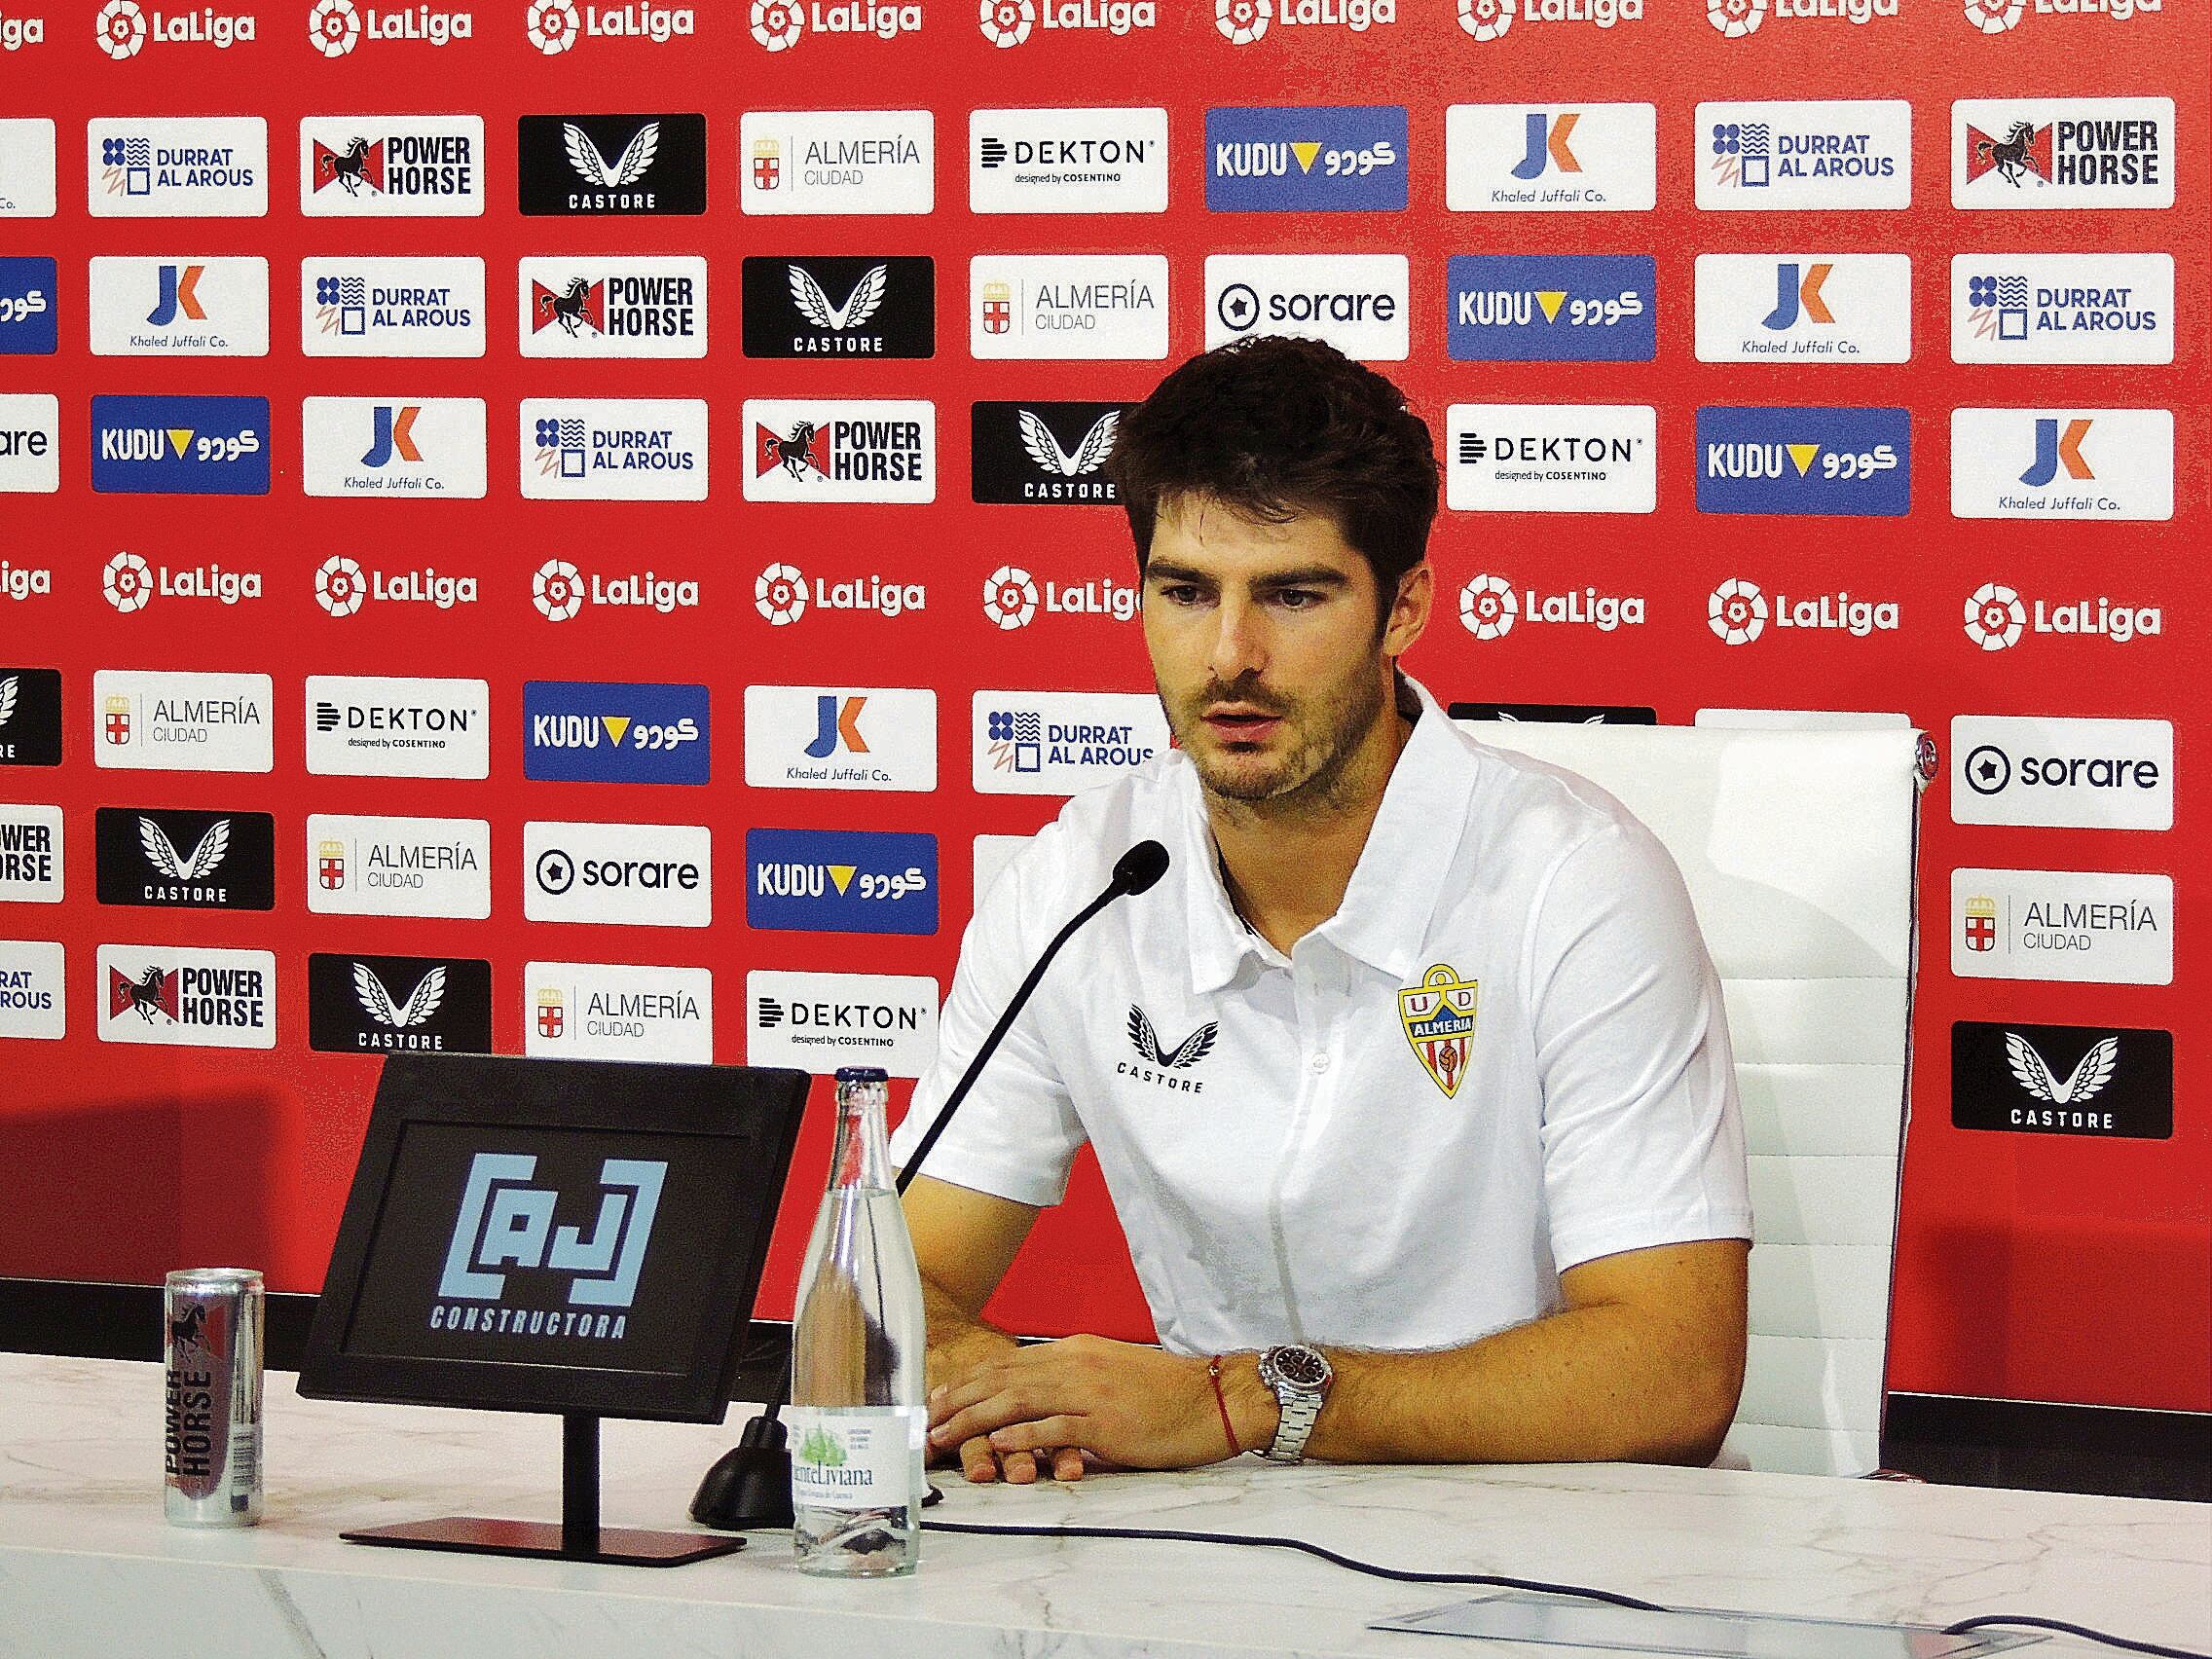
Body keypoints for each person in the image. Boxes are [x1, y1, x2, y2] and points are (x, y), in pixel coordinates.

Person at [893, 335, 1751, 1485]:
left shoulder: (1574, 882)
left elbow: (1673, 1374)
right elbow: (883, 1288)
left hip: (1542, 1552)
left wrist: (1238, 1402)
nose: (1229, 657)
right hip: (1202, 1551)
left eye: (1293, 595)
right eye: (1185, 593)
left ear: (1404, 609)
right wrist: (1009, 1396)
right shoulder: (1078, 882)